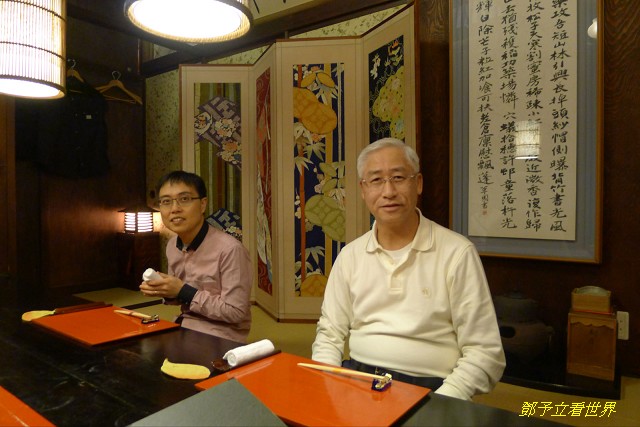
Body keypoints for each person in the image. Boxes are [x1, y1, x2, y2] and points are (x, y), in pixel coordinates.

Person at [312, 138, 505, 400]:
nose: (388, 191)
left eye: (398, 177)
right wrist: (327, 385)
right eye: (376, 180)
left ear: (418, 183)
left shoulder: (457, 253)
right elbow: (329, 335)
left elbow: (485, 353)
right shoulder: (350, 256)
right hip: (359, 381)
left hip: (434, 388)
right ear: (363, 190)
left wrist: (441, 402)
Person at [139, 170, 252, 343]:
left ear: (202, 204)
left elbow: (236, 312)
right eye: (166, 201)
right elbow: (180, 298)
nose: (175, 209)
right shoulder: (172, 245)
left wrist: (183, 291)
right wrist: (165, 290)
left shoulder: (230, 250)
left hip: (222, 335)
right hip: (185, 325)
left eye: (184, 199)